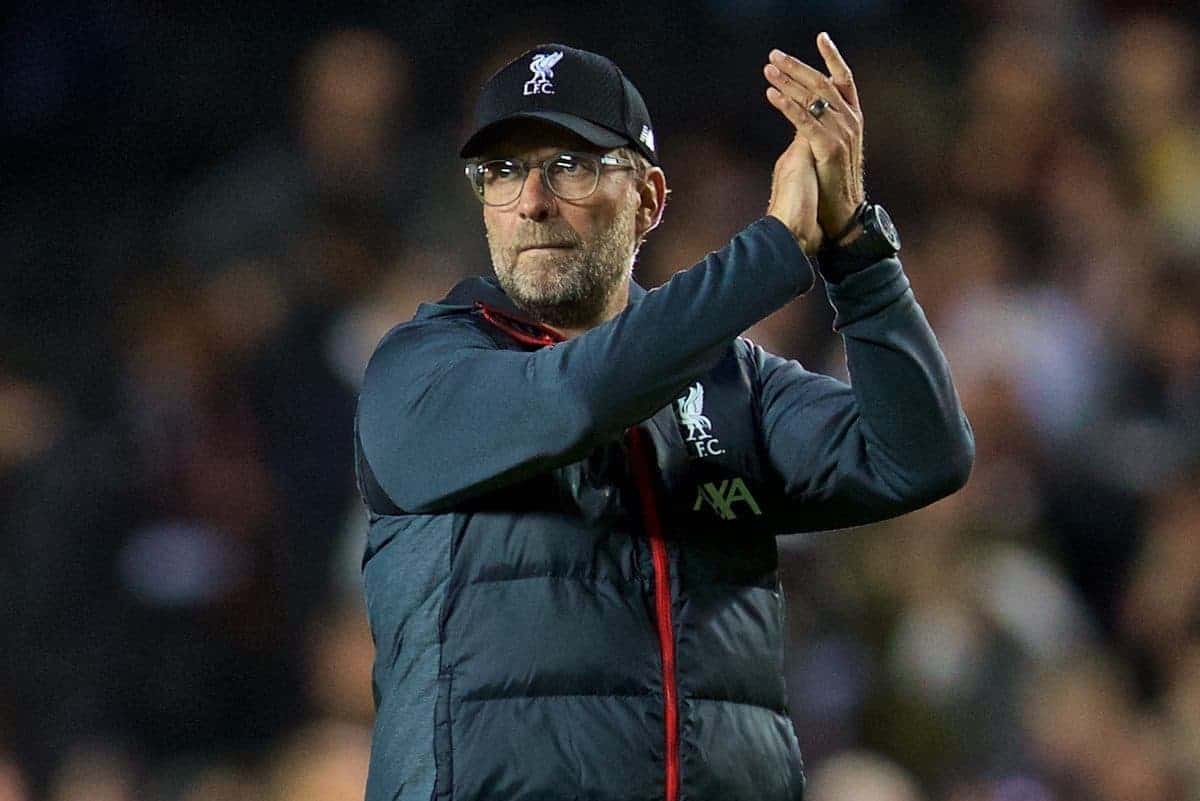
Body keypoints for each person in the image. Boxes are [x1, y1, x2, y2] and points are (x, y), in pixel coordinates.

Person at [354, 37, 973, 801]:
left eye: (571, 165)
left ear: (648, 199)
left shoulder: (734, 379)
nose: (533, 200)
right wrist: (772, 248)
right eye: (503, 171)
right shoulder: (420, 371)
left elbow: (918, 455)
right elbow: (578, 397)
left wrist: (857, 253)